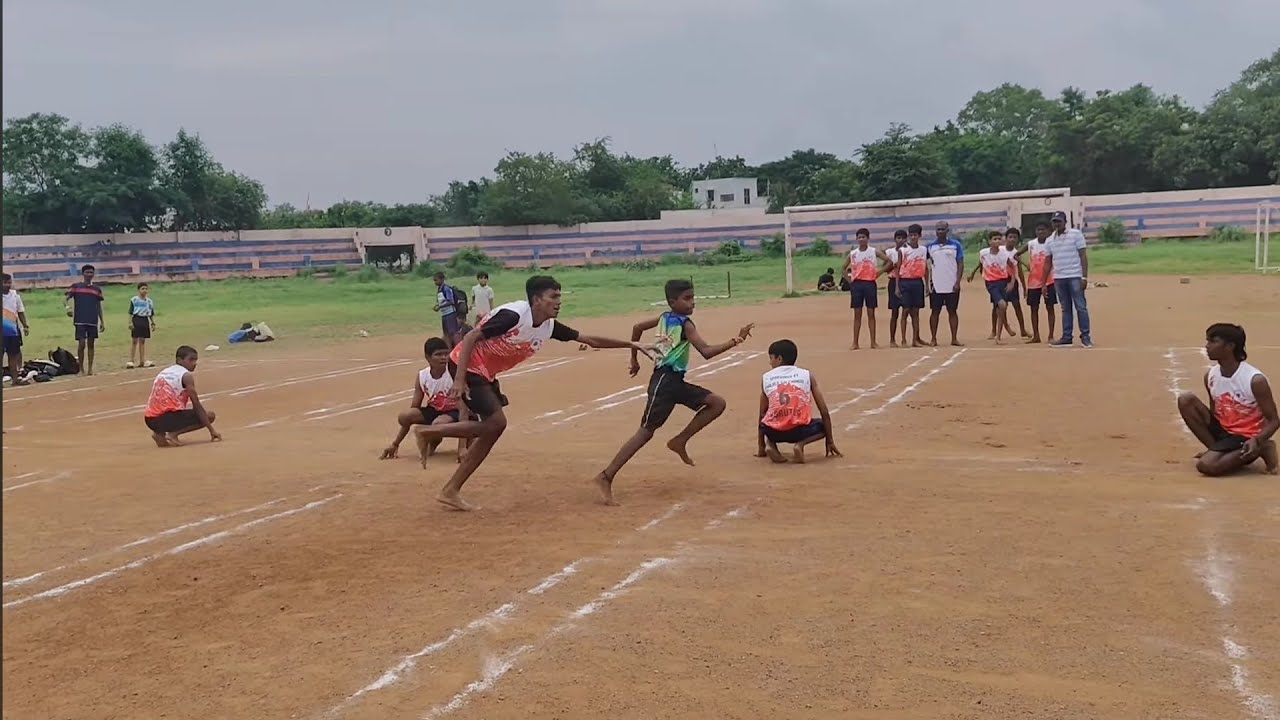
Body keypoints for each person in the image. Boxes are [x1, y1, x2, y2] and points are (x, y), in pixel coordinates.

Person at [415, 275, 657, 511]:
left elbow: (590, 339)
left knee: (492, 429)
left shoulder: (548, 326)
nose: (559, 301)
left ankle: (450, 489)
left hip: (484, 371)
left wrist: (632, 344)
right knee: (496, 423)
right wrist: (458, 380)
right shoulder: (513, 316)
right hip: (465, 365)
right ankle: (430, 433)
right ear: (536, 299)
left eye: (559, 296)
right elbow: (470, 337)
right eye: (554, 296)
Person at [592, 279, 753, 505]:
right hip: (664, 383)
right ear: (672, 301)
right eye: (687, 298)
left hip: (675, 381)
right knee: (646, 432)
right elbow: (706, 351)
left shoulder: (663, 317)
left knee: (716, 403)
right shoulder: (686, 324)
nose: (692, 303)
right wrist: (737, 340)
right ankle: (605, 476)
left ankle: (680, 440)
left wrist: (634, 358)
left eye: (693, 297)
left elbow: (637, 328)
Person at [1176, 323, 1278, 476]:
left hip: (1246, 436)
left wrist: (1257, 439)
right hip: (1224, 432)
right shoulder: (1210, 375)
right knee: (1186, 400)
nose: (1207, 346)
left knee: (1206, 466)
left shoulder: (1255, 380)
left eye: (1213, 341)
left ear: (1230, 346)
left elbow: (1274, 420)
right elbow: (1215, 411)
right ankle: (1218, 451)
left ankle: (1263, 446)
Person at [379, 337, 470, 463]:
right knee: (406, 416)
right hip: (435, 409)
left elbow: (463, 411)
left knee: (439, 423)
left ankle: (469, 436)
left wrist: (462, 448)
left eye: (446, 353)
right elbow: (414, 408)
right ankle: (434, 438)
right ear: (427, 357)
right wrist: (395, 444)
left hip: (455, 412)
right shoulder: (423, 376)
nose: (444, 357)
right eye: (438, 354)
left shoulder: (454, 375)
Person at [754, 339, 840, 464]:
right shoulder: (807, 375)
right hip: (800, 431)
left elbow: (762, 413)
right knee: (822, 425)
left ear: (779, 359)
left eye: (771, 358)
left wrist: (761, 446)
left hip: (774, 432)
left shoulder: (766, 377)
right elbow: (824, 411)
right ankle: (799, 445)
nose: (770, 362)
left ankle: (770, 445)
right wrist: (829, 440)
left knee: (768, 419)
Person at [143, 345, 221, 447]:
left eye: (195, 360)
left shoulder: (165, 372)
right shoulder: (186, 376)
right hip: (165, 419)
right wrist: (211, 430)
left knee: (169, 408)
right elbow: (196, 404)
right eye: (191, 360)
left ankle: (159, 433)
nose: (194, 363)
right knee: (209, 415)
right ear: (179, 360)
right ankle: (173, 434)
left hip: (150, 420)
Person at [1040, 211, 1093, 348]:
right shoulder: (1050, 240)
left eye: (1059, 221)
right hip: (1059, 277)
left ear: (1065, 222)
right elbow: (1047, 262)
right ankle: (1067, 336)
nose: (1057, 224)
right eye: (1054, 221)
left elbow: (1083, 256)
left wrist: (1084, 276)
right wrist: (1044, 282)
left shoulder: (1075, 234)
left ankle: (1085, 336)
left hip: (1074, 275)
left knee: (1080, 306)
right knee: (1065, 308)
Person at [840, 228, 892, 350]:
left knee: (871, 313)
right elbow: (843, 268)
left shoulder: (873, 252)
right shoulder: (853, 254)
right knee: (857, 314)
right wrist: (850, 281)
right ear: (857, 239)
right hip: (857, 284)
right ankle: (855, 342)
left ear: (868, 238)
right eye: (859, 237)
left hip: (870, 283)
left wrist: (880, 272)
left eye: (863, 237)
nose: (861, 239)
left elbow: (889, 261)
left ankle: (873, 342)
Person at [967, 231, 1017, 343]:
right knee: (1002, 305)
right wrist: (973, 273)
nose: (997, 241)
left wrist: (1012, 282)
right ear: (989, 241)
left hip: (1003, 282)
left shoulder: (1004, 254)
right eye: (994, 239)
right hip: (991, 283)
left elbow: (1012, 266)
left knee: (1000, 307)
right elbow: (981, 263)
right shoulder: (984, 253)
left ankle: (998, 335)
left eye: (999, 239)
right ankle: (1004, 329)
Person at [1018, 221, 1057, 344]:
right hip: (1033, 282)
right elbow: (1016, 255)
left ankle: (1051, 335)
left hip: (1050, 280)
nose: (1040, 232)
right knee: (1033, 308)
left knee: (1050, 307)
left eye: (1043, 230)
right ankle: (1036, 335)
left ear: (1048, 231)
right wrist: (1026, 265)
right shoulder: (1031, 244)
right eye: (1038, 230)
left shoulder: (1052, 243)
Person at [926, 221, 964, 347]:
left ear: (947, 230)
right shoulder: (930, 247)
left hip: (951, 284)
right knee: (935, 312)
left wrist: (957, 281)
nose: (940, 231)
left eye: (942, 229)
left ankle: (954, 338)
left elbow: (960, 263)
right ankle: (933, 338)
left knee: (952, 311)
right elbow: (925, 264)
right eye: (938, 229)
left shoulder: (956, 245)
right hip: (936, 285)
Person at [65, 264, 105, 375]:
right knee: (81, 344)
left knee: (91, 344)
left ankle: (90, 369)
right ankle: (81, 368)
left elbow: (98, 306)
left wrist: (102, 321)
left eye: (91, 272)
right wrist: (68, 308)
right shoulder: (76, 287)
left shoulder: (96, 289)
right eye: (87, 272)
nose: (89, 274)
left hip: (92, 320)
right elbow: (65, 299)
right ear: (83, 274)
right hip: (80, 320)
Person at [895, 224, 928, 347]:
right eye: (911, 235)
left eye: (915, 235)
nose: (913, 237)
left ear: (919, 236)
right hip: (905, 282)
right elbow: (898, 269)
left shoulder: (923, 250)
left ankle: (915, 339)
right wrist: (897, 287)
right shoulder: (903, 251)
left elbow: (925, 268)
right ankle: (903, 339)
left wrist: (927, 286)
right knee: (905, 310)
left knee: (916, 312)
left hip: (917, 282)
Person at [2, 273, 31, 386]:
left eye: (9, 282)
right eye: (5, 282)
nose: (7, 285)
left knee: (13, 355)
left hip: (13, 330)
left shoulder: (15, 296)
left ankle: (15, 378)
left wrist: (25, 325)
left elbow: (20, 311)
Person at [1002, 228, 1031, 339]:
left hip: (1013, 281)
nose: (1012, 239)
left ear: (1018, 239)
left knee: (1017, 306)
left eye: (1015, 237)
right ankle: (1001, 328)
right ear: (1006, 238)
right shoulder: (1000, 250)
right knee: (1000, 307)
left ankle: (1022, 329)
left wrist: (1024, 287)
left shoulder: (1016, 253)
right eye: (1010, 237)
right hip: (1001, 280)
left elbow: (1019, 271)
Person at [885, 230, 908, 347]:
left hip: (906, 281)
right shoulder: (889, 252)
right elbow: (885, 268)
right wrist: (892, 266)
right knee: (894, 312)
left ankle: (905, 339)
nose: (900, 240)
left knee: (907, 311)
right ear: (895, 239)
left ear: (906, 239)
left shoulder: (908, 251)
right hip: (893, 281)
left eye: (902, 238)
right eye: (898, 238)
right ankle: (892, 339)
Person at [127, 283, 157, 369]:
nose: (144, 291)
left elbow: (151, 313)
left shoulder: (149, 301)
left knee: (142, 341)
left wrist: (152, 323)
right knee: (134, 341)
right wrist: (130, 322)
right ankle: (131, 360)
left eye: (146, 289)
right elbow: (130, 312)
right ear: (139, 290)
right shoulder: (134, 300)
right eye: (142, 289)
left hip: (145, 320)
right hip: (136, 319)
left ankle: (142, 361)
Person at [432, 271, 466, 347]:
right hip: (444, 314)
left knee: (453, 333)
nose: (435, 282)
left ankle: (458, 349)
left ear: (442, 279)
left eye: (436, 280)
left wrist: (440, 306)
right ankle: (449, 350)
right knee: (446, 333)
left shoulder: (446, 289)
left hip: (450, 313)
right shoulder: (439, 289)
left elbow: (451, 301)